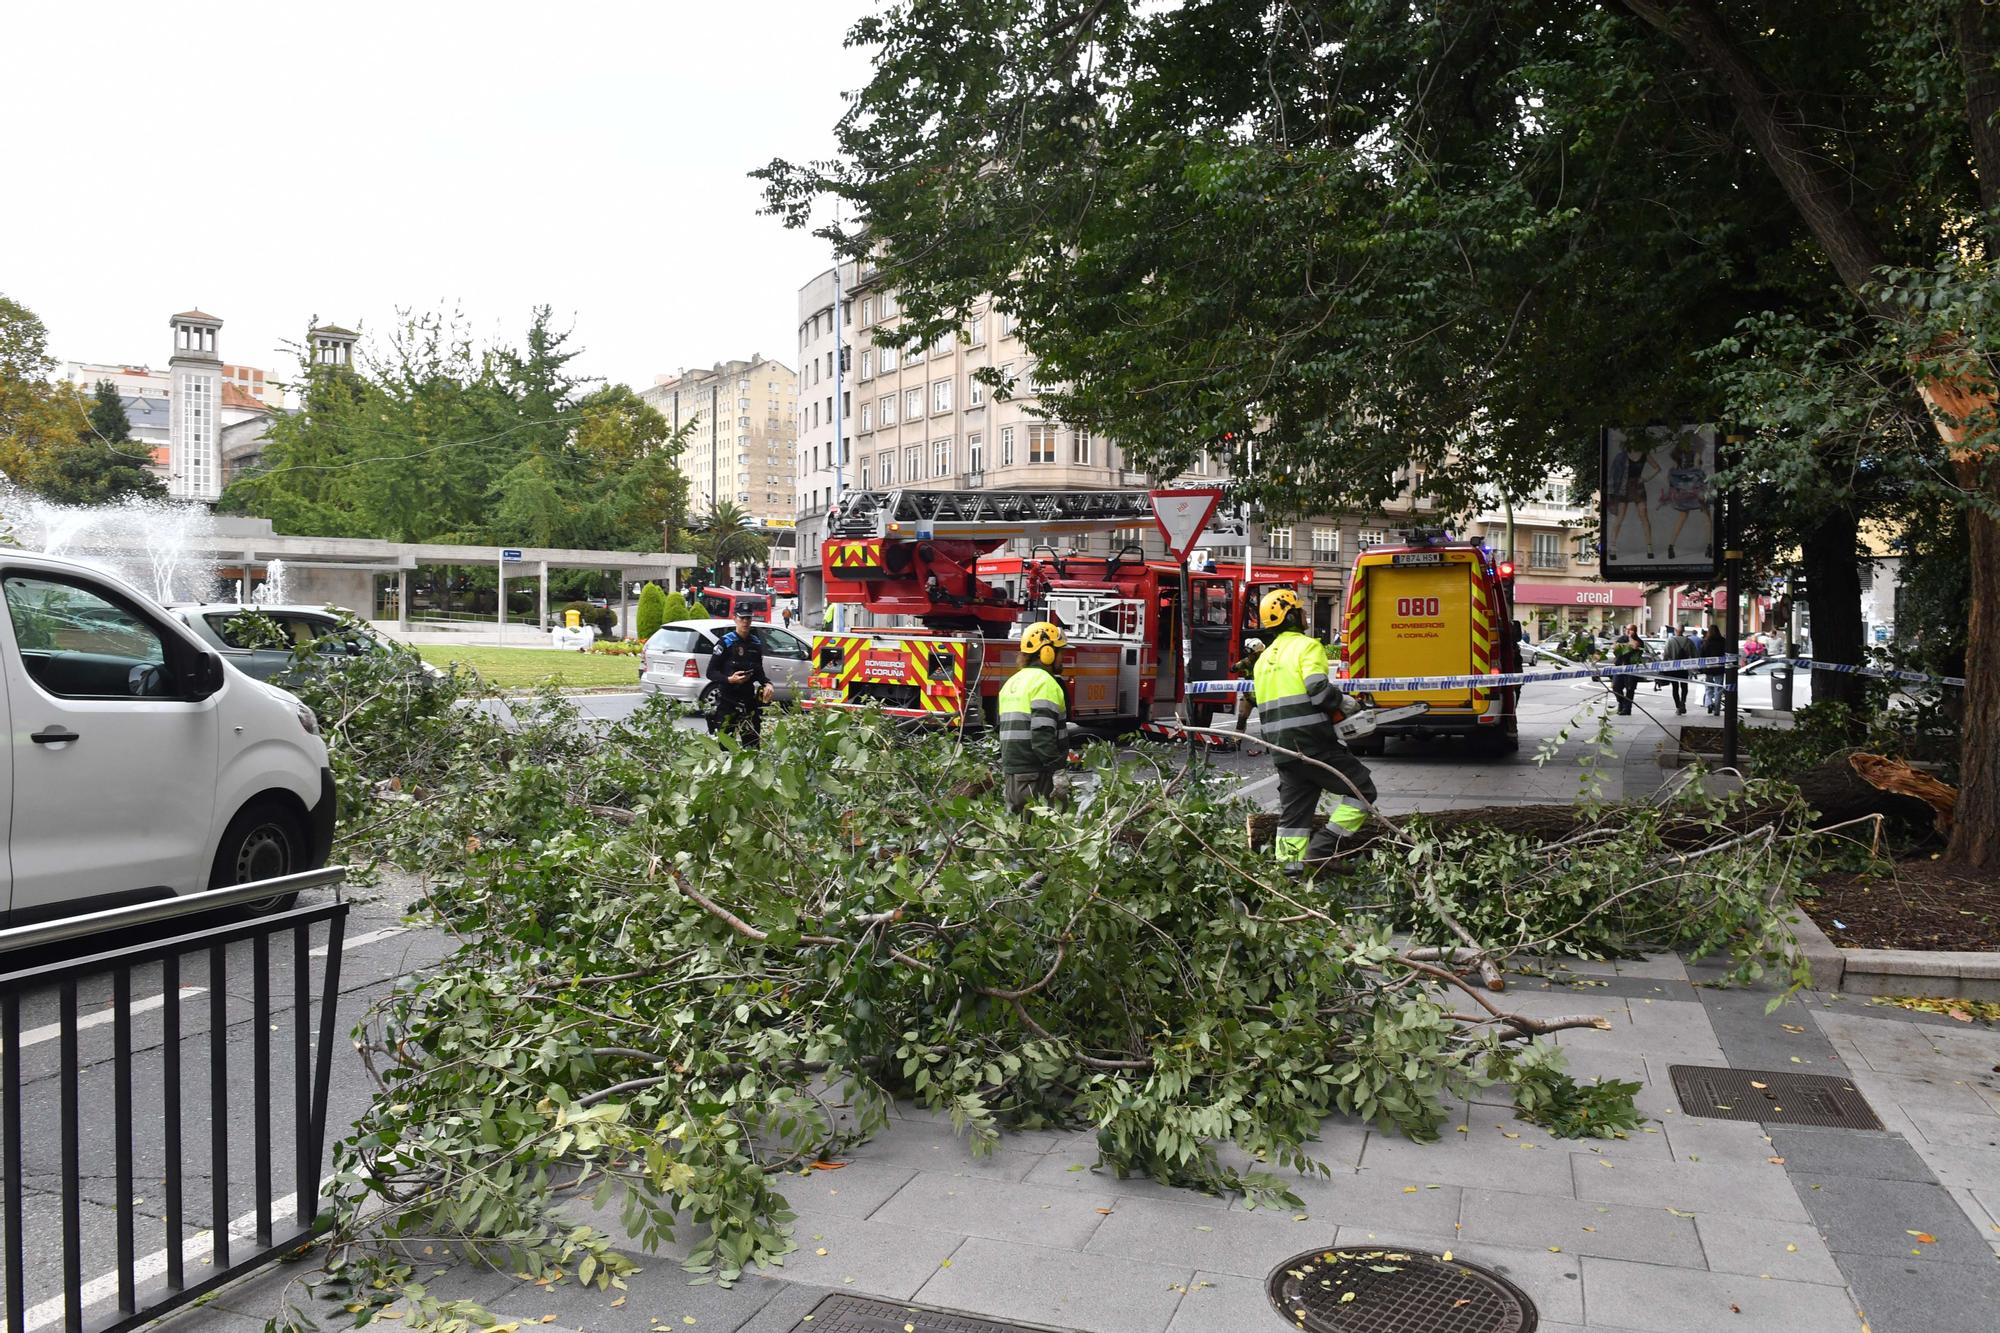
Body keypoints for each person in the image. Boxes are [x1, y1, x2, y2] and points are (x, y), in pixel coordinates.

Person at [1251, 587, 1378, 873]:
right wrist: (1347, 704)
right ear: (1291, 615)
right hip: (1313, 744)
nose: (1305, 613)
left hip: (1281, 748)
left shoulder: (1263, 660)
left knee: (1293, 819)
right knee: (1362, 791)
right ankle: (1321, 851)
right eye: (1301, 609)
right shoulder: (1307, 647)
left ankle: (1289, 876)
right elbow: (1319, 692)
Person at [997, 622, 1070, 815]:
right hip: (1035, 772)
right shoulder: (1044, 683)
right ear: (1047, 652)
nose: (1063, 658)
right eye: (1060, 652)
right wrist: (1058, 769)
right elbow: (1042, 734)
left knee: (1018, 827)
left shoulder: (1013, 682)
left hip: (1013, 770)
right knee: (1041, 830)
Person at [706, 607, 775, 746]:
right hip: (728, 701)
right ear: (735, 619)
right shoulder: (725, 642)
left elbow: (758, 673)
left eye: (748, 618)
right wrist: (729, 679)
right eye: (742, 618)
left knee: (752, 747)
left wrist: (768, 684)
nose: (745, 622)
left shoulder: (755, 643)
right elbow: (711, 672)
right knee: (725, 748)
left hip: (748, 701)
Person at [1610, 624, 1646, 714]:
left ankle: (1627, 709)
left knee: (1630, 689)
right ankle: (1621, 703)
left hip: (1631, 668)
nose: (1628, 631)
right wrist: (1621, 645)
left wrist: (1630, 639)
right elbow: (1614, 647)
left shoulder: (1639, 640)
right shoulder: (1622, 638)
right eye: (1627, 629)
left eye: (1630, 630)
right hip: (1619, 666)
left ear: (1634, 631)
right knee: (1616, 687)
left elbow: (1635, 646)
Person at [1663, 623, 1697, 714]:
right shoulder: (1689, 641)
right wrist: (1694, 669)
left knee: (1675, 687)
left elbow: (1665, 655)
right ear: (1683, 631)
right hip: (1684, 668)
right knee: (1684, 687)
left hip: (1673, 668)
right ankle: (1683, 703)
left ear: (1675, 630)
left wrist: (1664, 667)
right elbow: (1695, 655)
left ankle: (1678, 707)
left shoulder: (1670, 641)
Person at [1700, 624, 1727, 714]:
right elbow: (1726, 653)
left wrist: (1701, 667)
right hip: (1719, 668)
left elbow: (1702, 655)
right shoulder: (1723, 641)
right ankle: (1717, 710)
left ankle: (1709, 703)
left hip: (1709, 668)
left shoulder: (1706, 642)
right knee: (1718, 689)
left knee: (1708, 687)